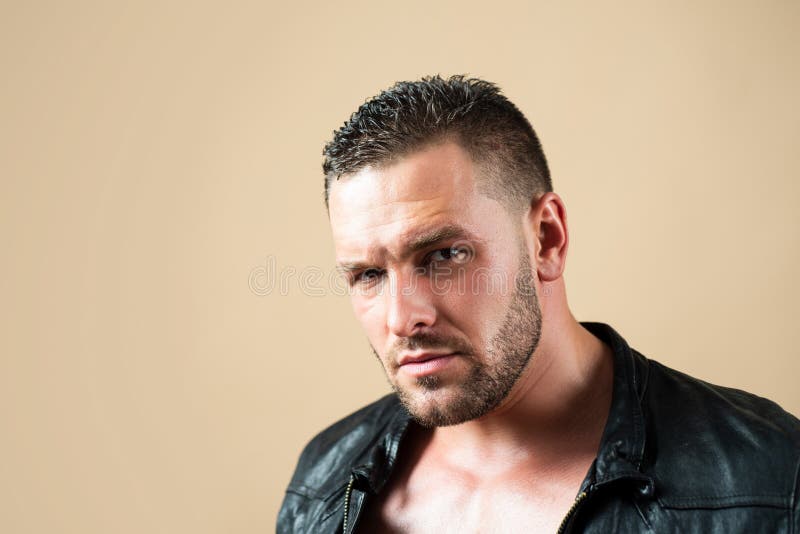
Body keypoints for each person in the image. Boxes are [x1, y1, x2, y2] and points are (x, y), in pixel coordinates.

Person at [278, 76, 800, 533]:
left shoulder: (772, 481)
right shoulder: (324, 480)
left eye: (444, 255)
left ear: (546, 239)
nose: (402, 318)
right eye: (369, 275)